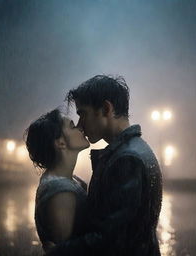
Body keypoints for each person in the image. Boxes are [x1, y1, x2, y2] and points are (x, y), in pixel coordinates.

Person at [47, 75, 163, 256]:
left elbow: (109, 240)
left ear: (106, 109)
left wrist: (57, 253)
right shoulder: (131, 151)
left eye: (82, 114)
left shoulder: (127, 159)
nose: (79, 124)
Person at [25, 108, 90, 253]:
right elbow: (64, 251)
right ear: (60, 143)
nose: (81, 127)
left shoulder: (65, 181)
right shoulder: (60, 192)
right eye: (73, 126)